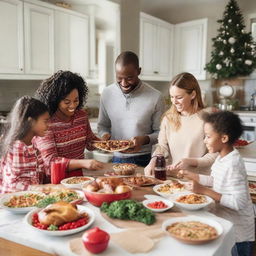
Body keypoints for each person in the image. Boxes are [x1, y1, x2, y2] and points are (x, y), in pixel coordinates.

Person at [178, 111, 255, 256]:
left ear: (224, 138)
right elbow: (215, 180)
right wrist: (193, 176)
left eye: (208, 136)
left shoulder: (233, 164)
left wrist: (203, 190)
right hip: (226, 224)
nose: (204, 141)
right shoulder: (221, 158)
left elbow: (238, 202)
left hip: (239, 234)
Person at [97, 51, 165, 167]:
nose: (124, 83)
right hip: (116, 158)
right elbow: (103, 125)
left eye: (129, 78)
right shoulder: (107, 93)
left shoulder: (155, 96)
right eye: (119, 78)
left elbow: (161, 133)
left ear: (139, 71)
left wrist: (143, 140)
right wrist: (104, 135)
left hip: (144, 159)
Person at [144, 72, 217, 176]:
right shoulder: (168, 119)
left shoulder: (207, 118)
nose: (174, 102)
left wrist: (190, 161)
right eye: (172, 97)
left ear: (192, 94)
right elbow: (162, 146)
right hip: (173, 179)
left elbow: (214, 154)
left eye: (179, 97)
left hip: (198, 180)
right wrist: (153, 160)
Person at [35, 70, 104, 179]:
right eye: (67, 102)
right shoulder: (46, 123)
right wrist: (83, 163)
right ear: (55, 100)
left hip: (79, 178)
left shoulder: (81, 116)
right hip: (55, 180)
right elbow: (50, 162)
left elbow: (90, 142)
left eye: (76, 100)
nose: (73, 106)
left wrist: (107, 144)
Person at [0, 96, 49, 193]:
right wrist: (42, 188)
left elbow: (37, 176)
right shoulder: (18, 146)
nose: (48, 125)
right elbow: (14, 184)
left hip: (29, 197)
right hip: (13, 201)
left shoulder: (33, 143)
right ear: (31, 121)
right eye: (45, 121)